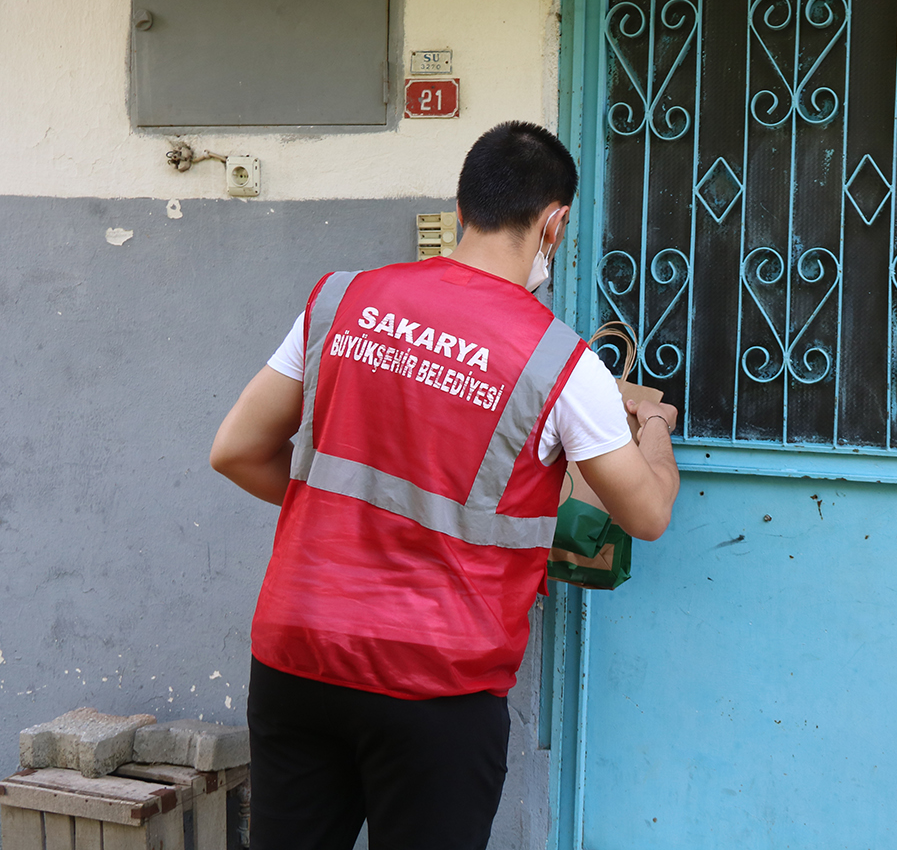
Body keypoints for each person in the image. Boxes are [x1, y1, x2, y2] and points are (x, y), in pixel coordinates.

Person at [209, 121, 680, 850]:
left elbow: (236, 451)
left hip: (297, 657)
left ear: (460, 209)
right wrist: (653, 427)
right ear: (554, 223)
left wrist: (339, 516)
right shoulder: (561, 363)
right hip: (436, 684)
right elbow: (645, 514)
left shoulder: (342, 300)